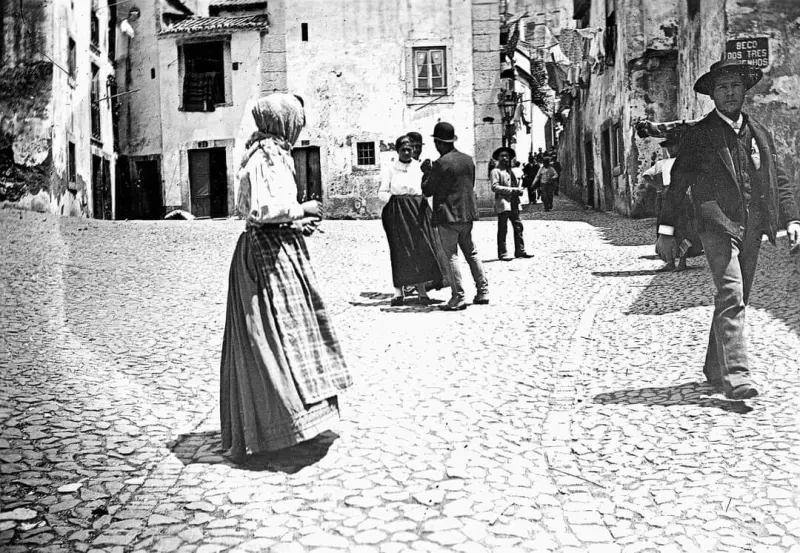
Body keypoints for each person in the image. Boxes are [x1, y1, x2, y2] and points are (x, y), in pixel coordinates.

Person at [656, 59, 800, 400]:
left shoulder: (759, 131)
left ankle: (714, 366)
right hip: (717, 225)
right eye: (722, 87)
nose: (730, 92)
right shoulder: (699, 136)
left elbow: (778, 179)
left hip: (753, 227)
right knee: (732, 294)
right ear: (712, 94)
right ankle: (736, 376)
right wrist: (666, 231)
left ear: (744, 90)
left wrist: (792, 219)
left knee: (735, 298)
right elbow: (678, 185)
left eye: (735, 85)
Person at [220, 93, 352, 459]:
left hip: (278, 247)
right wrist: (301, 209)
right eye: (295, 122)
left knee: (290, 330)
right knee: (271, 334)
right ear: (284, 123)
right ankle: (274, 427)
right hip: (266, 255)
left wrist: (296, 223)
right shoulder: (265, 157)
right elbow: (262, 210)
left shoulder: (268, 153)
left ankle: (295, 419)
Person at [422, 121, 489, 311]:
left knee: (451, 256)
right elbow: (468, 186)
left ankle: (458, 296)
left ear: (439, 143)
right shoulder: (468, 160)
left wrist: (426, 173)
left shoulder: (440, 164)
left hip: (447, 216)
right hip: (467, 214)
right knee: (471, 253)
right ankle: (483, 291)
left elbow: (428, 190)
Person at [378, 135, 443, 306]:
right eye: (403, 149)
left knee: (420, 248)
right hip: (397, 212)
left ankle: (422, 290)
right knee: (399, 250)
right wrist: (395, 202)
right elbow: (382, 192)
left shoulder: (419, 167)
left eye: (409, 149)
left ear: (413, 150)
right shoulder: (390, 168)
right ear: (397, 150)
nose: (407, 152)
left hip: (418, 210)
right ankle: (398, 292)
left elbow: (426, 189)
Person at [641, 129, 702, 271]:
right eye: (668, 147)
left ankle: (682, 261)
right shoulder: (662, 163)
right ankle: (669, 261)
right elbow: (646, 174)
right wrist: (658, 186)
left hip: (682, 198)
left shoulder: (686, 162)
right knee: (666, 229)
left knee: (682, 229)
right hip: (667, 197)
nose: (670, 149)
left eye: (673, 146)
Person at [490, 147, 534, 261]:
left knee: (518, 226)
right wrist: (513, 190)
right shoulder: (495, 171)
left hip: (514, 203)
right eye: (502, 156)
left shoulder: (510, 171)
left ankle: (520, 250)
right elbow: (494, 187)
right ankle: (502, 253)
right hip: (503, 203)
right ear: (498, 158)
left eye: (507, 156)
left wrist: (518, 191)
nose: (505, 158)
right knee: (503, 228)